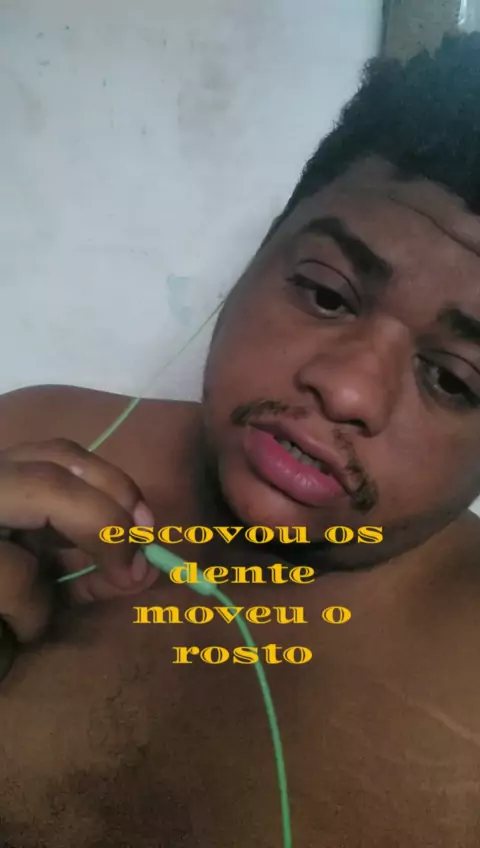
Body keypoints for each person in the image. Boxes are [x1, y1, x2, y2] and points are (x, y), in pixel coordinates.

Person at [1, 31, 480, 847]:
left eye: (455, 379)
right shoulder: (27, 442)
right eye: (325, 294)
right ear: (259, 255)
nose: (349, 389)